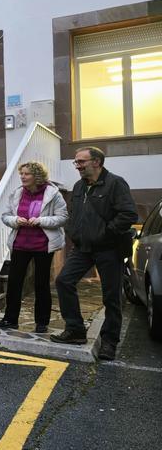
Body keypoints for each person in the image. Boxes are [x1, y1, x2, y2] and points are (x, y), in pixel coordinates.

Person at [51, 147, 138, 360]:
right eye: (76, 162)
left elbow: (128, 214)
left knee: (111, 297)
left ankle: (109, 342)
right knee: (63, 281)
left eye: (81, 162)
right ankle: (76, 330)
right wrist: (74, 232)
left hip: (109, 248)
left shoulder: (116, 183)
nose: (78, 166)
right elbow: (75, 214)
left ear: (97, 162)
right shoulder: (79, 186)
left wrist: (106, 233)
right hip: (82, 248)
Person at [0, 161, 67, 333]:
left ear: (37, 176)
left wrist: (41, 221)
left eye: (27, 174)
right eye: (22, 174)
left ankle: (42, 322)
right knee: (14, 283)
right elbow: (6, 216)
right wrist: (15, 220)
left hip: (43, 245)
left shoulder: (53, 194)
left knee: (41, 284)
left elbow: (62, 217)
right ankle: (10, 319)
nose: (23, 177)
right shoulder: (17, 193)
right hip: (20, 244)